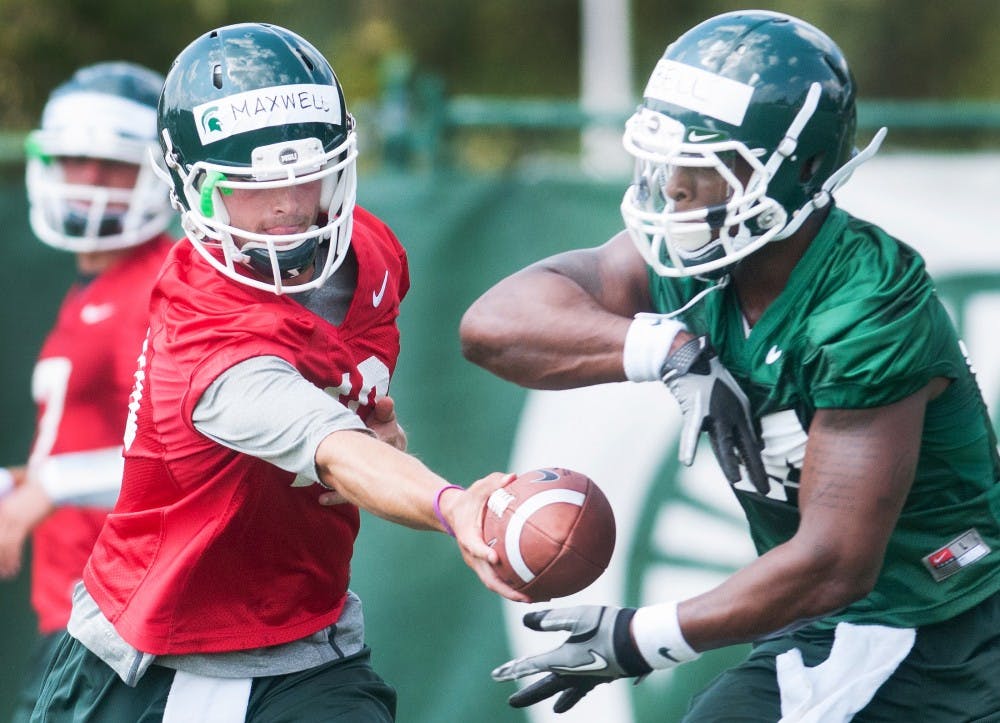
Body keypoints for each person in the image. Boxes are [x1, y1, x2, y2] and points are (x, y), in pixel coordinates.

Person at [461, 10, 1000, 721]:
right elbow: (491, 325)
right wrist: (667, 350)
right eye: (669, 159)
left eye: (708, 164)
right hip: (841, 625)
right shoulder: (690, 259)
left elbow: (837, 561)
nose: (676, 189)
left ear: (801, 170)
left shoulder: (865, 301)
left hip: (932, 628)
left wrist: (636, 636)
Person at [29, 23, 525, 723]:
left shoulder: (374, 256)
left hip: (305, 648)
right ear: (191, 191)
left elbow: (352, 422)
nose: (289, 207)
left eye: (305, 175)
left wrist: (385, 438)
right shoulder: (201, 327)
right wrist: (453, 503)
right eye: (255, 187)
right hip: (145, 656)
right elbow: (331, 445)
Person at [0, 61, 175, 722]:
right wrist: (22, 482)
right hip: (78, 615)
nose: (91, 182)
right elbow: (87, 449)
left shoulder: (155, 286)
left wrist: (54, 486)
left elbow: (183, 459)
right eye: (75, 160)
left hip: (119, 622)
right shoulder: (94, 288)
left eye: (114, 164)